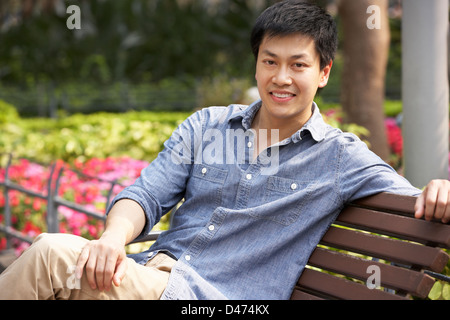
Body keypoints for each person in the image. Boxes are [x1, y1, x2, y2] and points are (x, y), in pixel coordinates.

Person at [0, 0, 449, 300]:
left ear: (324, 72)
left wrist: (440, 189)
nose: (281, 78)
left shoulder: (339, 157)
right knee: (58, 257)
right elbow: (146, 195)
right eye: (270, 61)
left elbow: (412, 197)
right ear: (256, 63)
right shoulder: (207, 125)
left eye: (298, 65)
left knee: (50, 255)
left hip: (213, 298)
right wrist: (113, 240)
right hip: (150, 274)